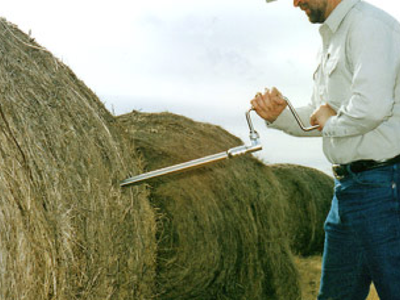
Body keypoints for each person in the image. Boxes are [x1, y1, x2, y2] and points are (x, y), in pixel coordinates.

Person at [251, 0, 400, 299]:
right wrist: (279, 115)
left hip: (384, 189)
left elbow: (370, 108)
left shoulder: (368, 25)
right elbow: (320, 115)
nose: (295, 2)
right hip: (347, 193)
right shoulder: (331, 38)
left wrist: (330, 122)